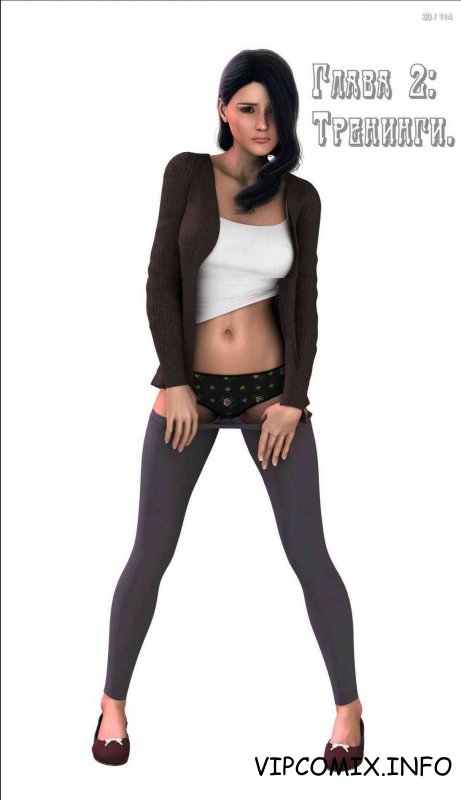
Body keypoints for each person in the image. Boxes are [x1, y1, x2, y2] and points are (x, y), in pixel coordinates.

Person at [92, 49, 364, 769]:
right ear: (223, 110)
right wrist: (177, 383)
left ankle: (349, 709)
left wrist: (295, 401)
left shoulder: (300, 197)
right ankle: (112, 703)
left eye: (274, 111)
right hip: (189, 395)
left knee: (309, 554)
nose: (261, 123)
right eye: (247, 108)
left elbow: (303, 307)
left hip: (268, 398)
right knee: (150, 553)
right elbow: (159, 284)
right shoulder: (186, 173)